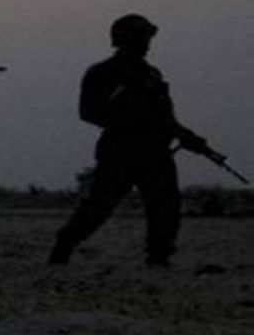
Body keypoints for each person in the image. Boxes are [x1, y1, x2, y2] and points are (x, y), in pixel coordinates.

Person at [49, 14, 208, 267]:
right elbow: (89, 113)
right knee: (99, 206)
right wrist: (127, 119)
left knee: (165, 205)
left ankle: (159, 256)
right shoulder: (102, 72)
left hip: (155, 152)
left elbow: (166, 117)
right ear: (124, 40)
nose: (146, 44)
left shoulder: (152, 75)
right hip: (119, 152)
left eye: (146, 38)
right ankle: (65, 244)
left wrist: (188, 137)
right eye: (140, 38)